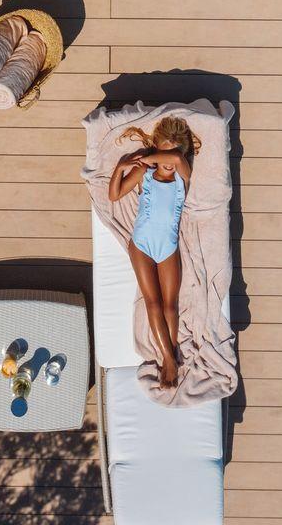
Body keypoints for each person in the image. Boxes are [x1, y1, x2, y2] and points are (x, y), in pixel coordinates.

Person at [108, 116, 201, 387]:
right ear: (157, 149)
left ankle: (169, 359)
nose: (169, 163)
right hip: (142, 245)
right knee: (153, 303)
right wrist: (121, 167)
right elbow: (114, 195)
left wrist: (151, 156)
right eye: (164, 155)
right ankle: (169, 360)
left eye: (172, 155)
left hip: (168, 247)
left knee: (170, 305)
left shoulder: (183, 175)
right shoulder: (144, 174)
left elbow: (177, 158)